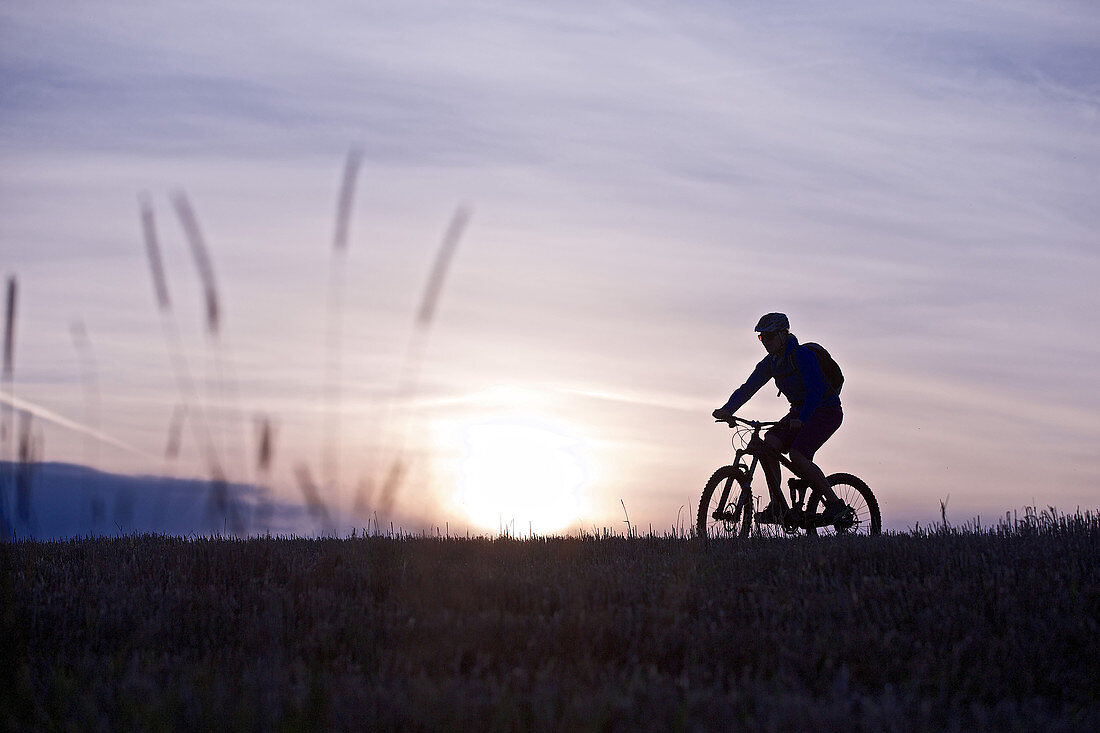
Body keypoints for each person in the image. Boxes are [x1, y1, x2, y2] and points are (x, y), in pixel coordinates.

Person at [711, 312, 849, 525]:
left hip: (825, 410)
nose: (766, 342)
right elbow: (749, 388)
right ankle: (777, 506)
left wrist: (802, 418)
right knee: (769, 446)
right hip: (798, 412)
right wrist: (727, 409)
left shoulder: (802, 355)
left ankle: (835, 504)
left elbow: (815, 390)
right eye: (761, 337)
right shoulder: (771, 363)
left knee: (798, 455)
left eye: (770, 336)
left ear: (784, 334)